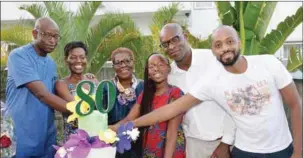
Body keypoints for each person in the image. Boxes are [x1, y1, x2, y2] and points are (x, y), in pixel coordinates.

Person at [130, 25, 302, 158]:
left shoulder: (263, 64)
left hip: (263, 146)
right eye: (218, 45)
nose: (225, 48)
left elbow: (294, 105)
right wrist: (129, 125)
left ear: (239, 42)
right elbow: (171, 110)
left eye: (230, 42)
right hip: (221, 147)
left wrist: (299, 151)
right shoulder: (190, 78)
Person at [159, 23, 235, 158]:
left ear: (185, 37)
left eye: (175, 39)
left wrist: (226, 142)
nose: (171, 46)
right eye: (165, 44)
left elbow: (232, 100)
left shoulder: (212, 60)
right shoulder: (169, 76)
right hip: (193, 145)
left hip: (226, 141)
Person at [5, 17, 70, 158]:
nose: (53, 41)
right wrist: (78, 110)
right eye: (48, 35)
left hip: (46, 135)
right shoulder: (19, 56)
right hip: (20, 133)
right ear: (35, 34)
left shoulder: (51, 63)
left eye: (56, 36)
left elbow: (57, 90)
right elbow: (42, 94)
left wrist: (84, 80)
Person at [114, 53, 186, 158]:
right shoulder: (145, 95)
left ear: (169, 68)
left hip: (170, 151)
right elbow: (129, 119)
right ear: (148, 73)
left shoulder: (176, 93)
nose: (156, 69)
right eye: (151, 66)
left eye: (161, 65)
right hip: (150, 150)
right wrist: (110, 128)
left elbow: (172, 133)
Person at [55, 41, 99, 143]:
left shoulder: (93, 81)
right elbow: (78, 108)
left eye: (82, 57)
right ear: (66, 60)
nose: (78, 60)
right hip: (73, 139)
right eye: (73, 57)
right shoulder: (61, 84)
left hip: (95, 135)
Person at [107, 47, 144, 158]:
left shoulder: (145, 86)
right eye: (118, 63)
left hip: (141, 144)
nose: (123, 65)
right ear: (113, 66)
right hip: (114, 145)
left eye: (127, 61)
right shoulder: (106, 88)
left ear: (134, 62)